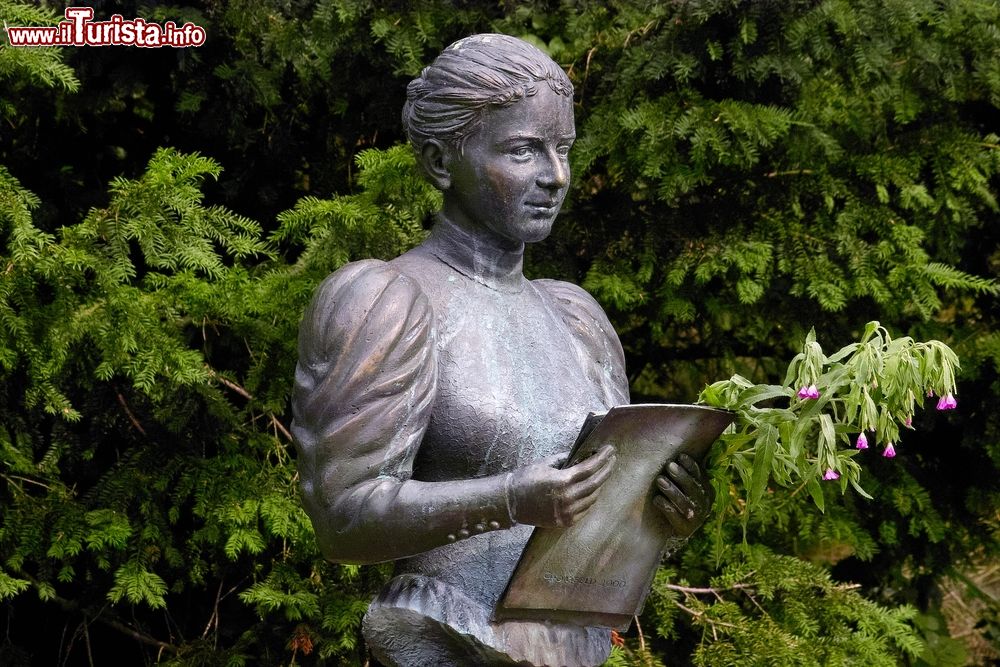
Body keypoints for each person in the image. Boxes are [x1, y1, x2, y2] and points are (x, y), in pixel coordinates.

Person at [291, 34, 711, 667]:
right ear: (440, 161)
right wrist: (508, 499)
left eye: (562, 149)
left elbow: (601, 524)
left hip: (564, 649)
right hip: (442, 637)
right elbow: (343, 516)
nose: (556, 176)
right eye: (523, 151)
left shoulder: (577, 319)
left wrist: (663, 517)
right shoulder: (388, 301)